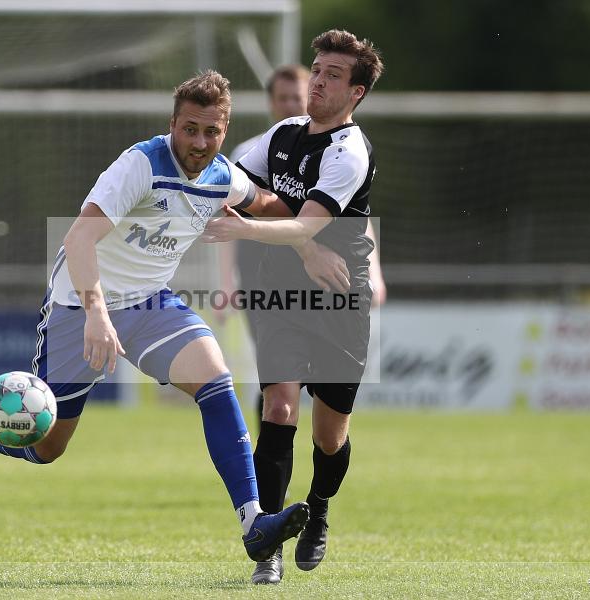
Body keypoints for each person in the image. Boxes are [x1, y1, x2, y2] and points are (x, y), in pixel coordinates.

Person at [0, 70, 312, 563]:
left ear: (224, 132)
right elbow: (78, 239)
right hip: (79, 304)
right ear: (172, 125)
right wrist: (96, 314)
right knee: (48, 447)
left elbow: (268, 203)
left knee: (217, 381)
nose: (199, 143)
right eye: (190, 129)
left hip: (149, 303)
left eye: (211, 132)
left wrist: (320, 214)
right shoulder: (139, 165)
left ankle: (254, 522)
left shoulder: (223, 176)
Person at [203, 30, 384, 584]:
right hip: (278, 295)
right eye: (318, 69)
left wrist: (258, 229)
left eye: (333, 75)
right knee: (278, 407)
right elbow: (243, 186)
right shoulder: (282, 135)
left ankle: (319, 508)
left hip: (339, 301)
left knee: (329, 436)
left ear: (355, 93)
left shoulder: (349, 152)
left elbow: (303, 222)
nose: (319, 81)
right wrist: (291, 240)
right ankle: (268, 543)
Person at [224, 64, 387, 435]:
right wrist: (227, 278)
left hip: (332, 280)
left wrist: (374, 271)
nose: (290, 104)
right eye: (281, 98)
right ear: (270, 103)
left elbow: (358, 217)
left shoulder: (345, 152)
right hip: (265, 268)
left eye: (295, 97)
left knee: (327, 420)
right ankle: (269, 459)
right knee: (277, 383)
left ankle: (317, 466)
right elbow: (232, 214)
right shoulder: (259, 147)